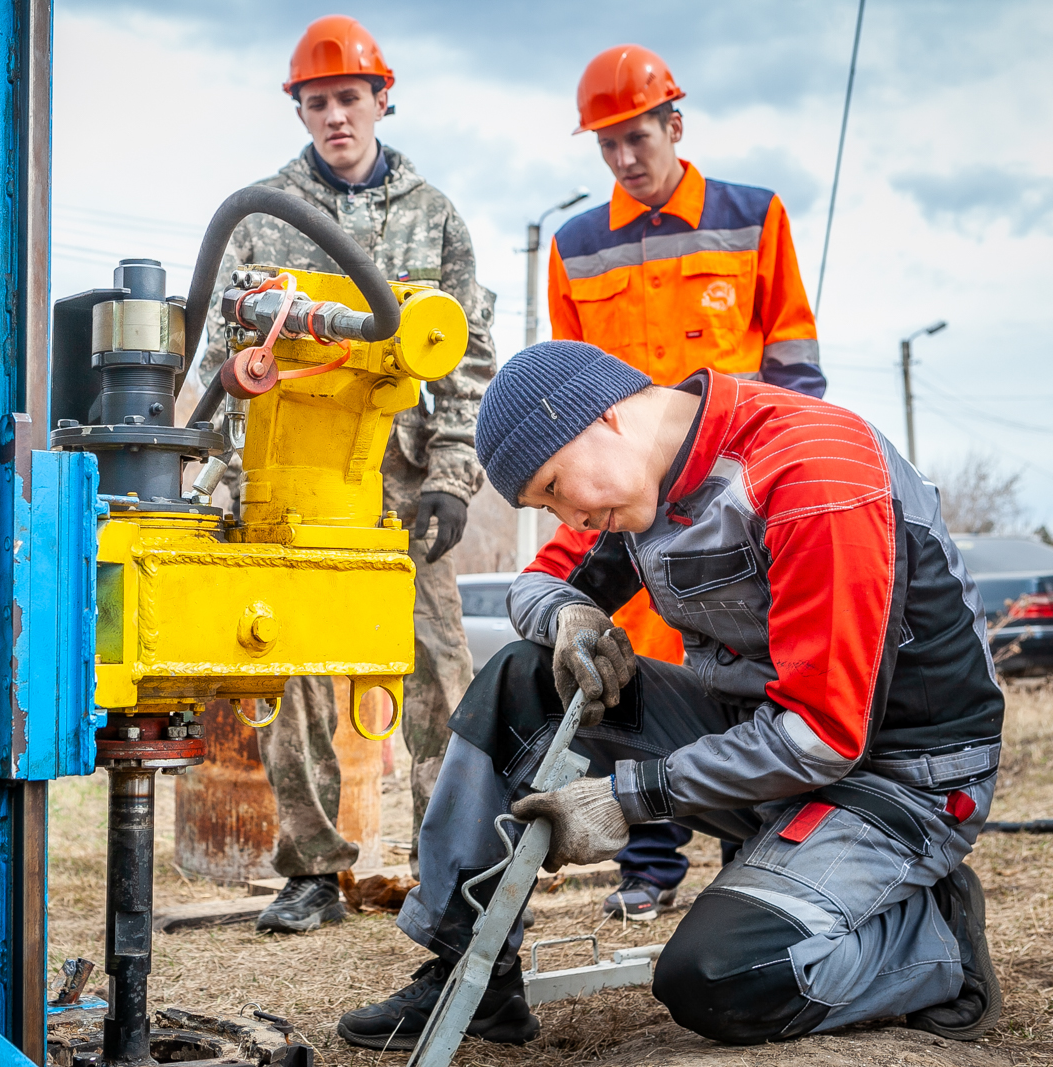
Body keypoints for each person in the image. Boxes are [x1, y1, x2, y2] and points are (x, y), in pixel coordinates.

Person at [337, 340, 1002, 1050]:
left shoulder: (811, 468)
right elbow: (531, 585)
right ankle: (467, 968)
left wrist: (626, 797)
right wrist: (568, 616)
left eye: (556, 487)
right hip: (764, 742)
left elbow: (823, 734)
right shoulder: (639, 486)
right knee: (521, 678)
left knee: (721, 976)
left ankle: (935, 938)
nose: (572, 521)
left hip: (896, 780)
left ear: (604, 419)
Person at [197, 15, 496, 934]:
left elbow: (467, 353)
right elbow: (222, 352)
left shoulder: (434, 214)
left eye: (349, 99)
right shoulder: (261, 214)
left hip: (401, 480)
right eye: (317, 102)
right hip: (294, 475)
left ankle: (451, 867)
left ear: (380, 99)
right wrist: (220, 481)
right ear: (300, 108)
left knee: (440, 671)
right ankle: (312, 870)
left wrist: (452, 475)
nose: (335, 116)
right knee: (293, 674)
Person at [549, 44, 825, 922]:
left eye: (636, 136)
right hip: (628, 502)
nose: (625, 156)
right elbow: (565, 388)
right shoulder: (575, 246)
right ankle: (648, 866)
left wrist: (782, 482)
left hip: (733, 497)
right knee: (627, 678)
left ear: (675, 124)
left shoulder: (754, 217)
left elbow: (796, 367)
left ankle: (755, 853)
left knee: (750, 668)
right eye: (607, 144)